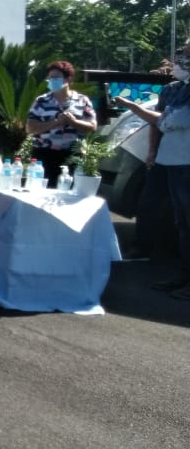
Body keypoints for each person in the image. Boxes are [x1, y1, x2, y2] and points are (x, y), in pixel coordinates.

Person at [114, 44, 190, 299]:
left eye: (185, 57)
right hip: (174, 162)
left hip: (186, 165)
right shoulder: (175, 90)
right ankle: (183, 276)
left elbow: (169, 121)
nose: (178, 61)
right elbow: (164, 121)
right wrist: (153, 150)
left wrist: (136, 109)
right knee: (182, 223)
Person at [26, 60, 96, 187]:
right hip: (45, 155)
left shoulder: (82, 101)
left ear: (68, 78)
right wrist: (55, 122)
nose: (52, 80)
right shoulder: (41, 101)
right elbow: (30, 128)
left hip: (72, 156)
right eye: (50, 78)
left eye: (56, 78)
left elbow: (92, 126)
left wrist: (73, 122)